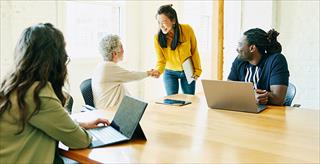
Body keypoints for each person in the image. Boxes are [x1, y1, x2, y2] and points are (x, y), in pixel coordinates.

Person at [0, 23, 110, 163]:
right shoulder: (37, 94)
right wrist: (78, 130)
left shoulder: (12, 85)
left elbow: (48, 120)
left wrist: (80, 123)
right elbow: (80, 141)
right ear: (54, 59)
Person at [228, 28, 290, 105]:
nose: (237, 49)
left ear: (252, 48)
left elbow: (278, 99)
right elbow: (229, 89)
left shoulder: (276, 60)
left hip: (269, 113)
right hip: (244, 109)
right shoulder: (239, 60)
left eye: (240, 45)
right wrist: (250, 96)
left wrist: (243, 95)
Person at [92, 34, 154, 109]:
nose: (123, 50)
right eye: (121, 47)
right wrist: (149, 73)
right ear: (114, 53)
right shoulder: (108, 67)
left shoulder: (101, 66)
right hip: (110, 111)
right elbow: (132, 75)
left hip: (110, 109)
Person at [152, 4, 202, 95]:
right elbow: (161, 60)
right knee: (172, 101)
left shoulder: (187, 30)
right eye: (159, 22)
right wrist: (158, 71)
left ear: (173, 20)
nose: (161, 26)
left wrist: (198, 70)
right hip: (170, 73)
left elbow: (194, 51)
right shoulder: (157, 38)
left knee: (189, 100)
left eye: (163, 22)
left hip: (188, 71)